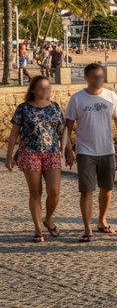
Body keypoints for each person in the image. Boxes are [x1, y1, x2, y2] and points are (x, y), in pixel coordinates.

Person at [64, 63, 117, 242]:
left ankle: (102, 220)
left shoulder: (111, 96)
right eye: (95, 76)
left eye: (101, 76)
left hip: (107, 150)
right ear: (86, 77)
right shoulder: (77, 99)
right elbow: (67, 128)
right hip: (85, 151)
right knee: (86, 191)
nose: (98, 79)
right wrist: (69, 149)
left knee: (107, 189)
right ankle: (87, 228)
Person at [5, 76, 65, 242]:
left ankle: (48, 219)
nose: (46, 91)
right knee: (36, 192)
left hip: (52, 153)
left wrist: (65, 138)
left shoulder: (55, 107)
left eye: (48, 87)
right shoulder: (23, 108)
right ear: (32, 90)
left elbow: (63, 129)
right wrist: (9, 156)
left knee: (54, 192)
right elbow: (14, 134)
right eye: (42, 88)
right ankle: (38, 229)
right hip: (30, 153)